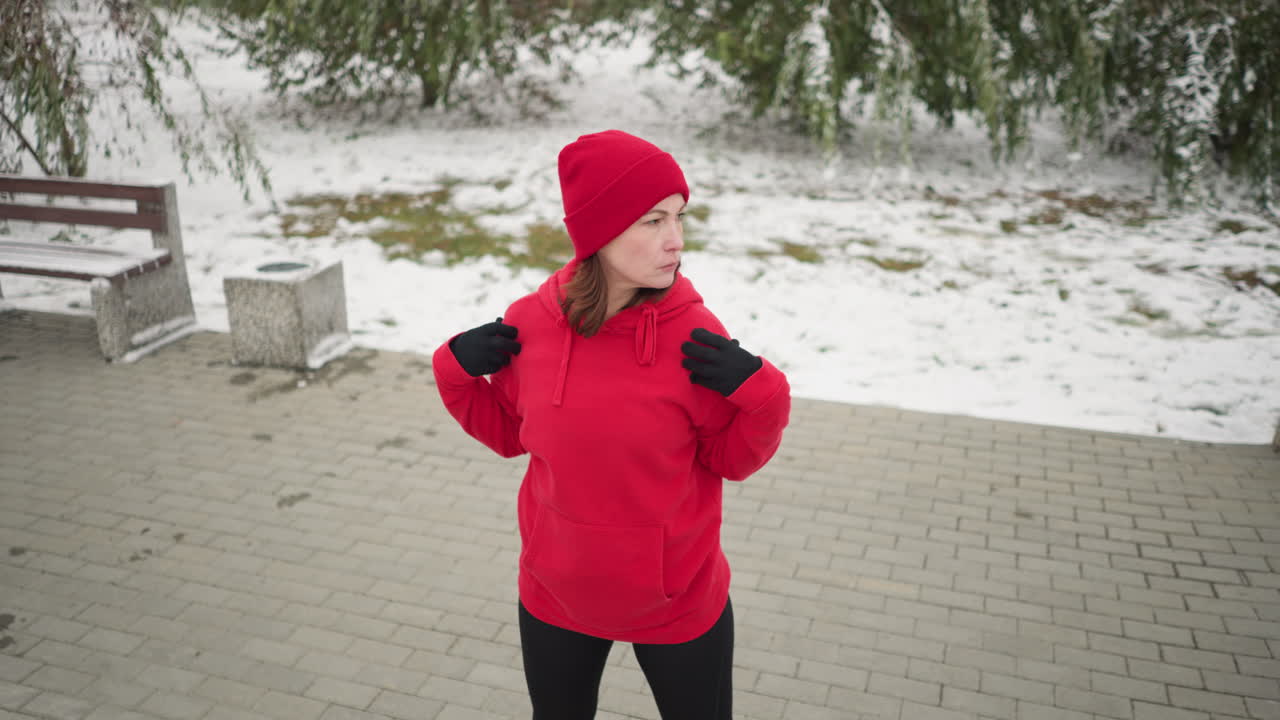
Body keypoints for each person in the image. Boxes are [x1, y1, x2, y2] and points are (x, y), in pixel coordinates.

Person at [433, 129, 791, 720]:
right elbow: (506, 435)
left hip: (676, 602)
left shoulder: (694, 338)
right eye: (653, 220)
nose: (675, 240)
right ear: (599, 231)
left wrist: (763, 392)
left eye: (679, 217)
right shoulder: (532, 325)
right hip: (557, 596)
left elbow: (734, 460)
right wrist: (453, 371)